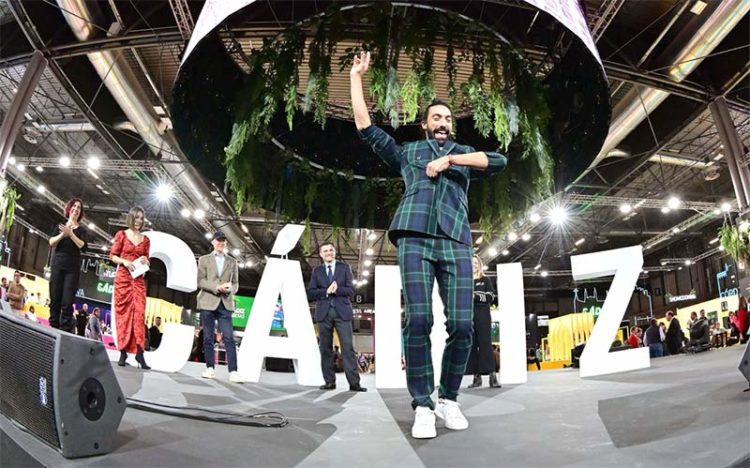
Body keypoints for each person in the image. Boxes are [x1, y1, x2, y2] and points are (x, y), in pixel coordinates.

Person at [351, 52, 507, 439]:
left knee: (463, 325)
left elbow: (499, 160)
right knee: (419, 319)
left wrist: (452, 160)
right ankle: (423, 404)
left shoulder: (464, 155)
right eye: (436, 118)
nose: (443, 123)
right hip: (415, 236)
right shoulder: (410, 153)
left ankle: (448, 398)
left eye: (448, 119)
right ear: (424, 125)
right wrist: (356, 77)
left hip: (456, 240)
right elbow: (365, 127)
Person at [306, 242, 366, 392]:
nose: (328, 253)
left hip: (342, 313)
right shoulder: (317, 271)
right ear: (321, 254)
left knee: (348, 348)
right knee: (325, 349)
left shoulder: (344, 268)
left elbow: (351, 290)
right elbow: (311, 292)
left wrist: (337, 290)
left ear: (334, 252)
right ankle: (329, 382)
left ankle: (354, 383)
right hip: (323, 313)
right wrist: (326, 291)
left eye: (331, 250)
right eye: (325, 251)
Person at [197, 231, 242, 383]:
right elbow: (201, 281)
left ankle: (234, 371)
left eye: (223, 241)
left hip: (225, 303)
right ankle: (210, 368)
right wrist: (217, 287)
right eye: (218, 241)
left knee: (229, 337)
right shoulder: (204, 260)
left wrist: (231, 289)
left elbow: (236, 284)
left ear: (226, 243)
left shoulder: (232, 262)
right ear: (213, 242)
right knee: (208, 337)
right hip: (208, 301)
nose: (221, 243)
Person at [109, 206, 151, 370]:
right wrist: (125, 262)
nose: (139, 221)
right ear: (131, 218)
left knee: (139, 314)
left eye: (141, 218)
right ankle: (123, 352)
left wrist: (146, 262)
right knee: (123, 315)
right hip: (123, 279)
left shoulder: (146, 239)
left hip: (138, 280)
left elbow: (147, 258)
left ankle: (140, 353)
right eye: (137, 217)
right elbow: (112, 255)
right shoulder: (121, 235)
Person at [48, 198, 88, 333]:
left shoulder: (81, 230)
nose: (76, 209)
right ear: (69, 208)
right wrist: (63, 235)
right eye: (74, 206)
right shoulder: (60, 225)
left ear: (80, 212)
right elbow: (51, 242)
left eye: (79, 208)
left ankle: (64, 331)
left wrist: (71, 234)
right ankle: (52, 330)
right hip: (58, 264)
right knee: (55, 299)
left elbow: (83, 246)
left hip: (72, 268)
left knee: (67, 302)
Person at [466, 255, 499, 388]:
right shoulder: (465, 281)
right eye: (472, 263)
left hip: (483, 315)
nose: (474, 265)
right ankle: (476, 378)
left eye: (476, 263)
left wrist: (475, 296)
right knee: (472, 346)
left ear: (479, 265)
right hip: (469, 316)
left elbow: (490, 296)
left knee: (485, 344)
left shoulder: (485, 280)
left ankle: (493, 377)